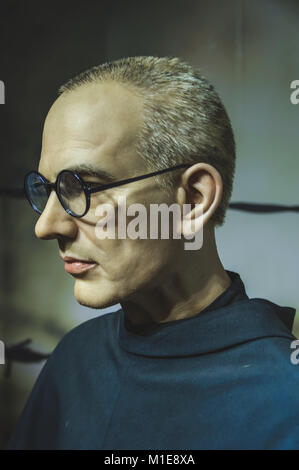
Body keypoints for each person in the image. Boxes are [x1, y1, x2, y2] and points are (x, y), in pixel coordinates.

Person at [5, 56, 299, 450]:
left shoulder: (286, 393)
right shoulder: (75, 360)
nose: (47, 226)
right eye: (48, 190)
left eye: (85, 188)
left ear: (193, 200)